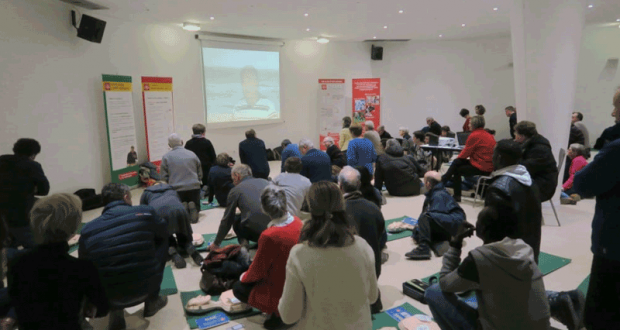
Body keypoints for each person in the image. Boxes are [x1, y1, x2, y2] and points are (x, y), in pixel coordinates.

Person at [424, 206, 550, 330]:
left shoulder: (479, 259)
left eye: (478, 220)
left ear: (482, 229)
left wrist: (455, 243)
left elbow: (445, 283)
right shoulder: (524, 248)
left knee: (433, 292)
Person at [278, 182, 378, 330]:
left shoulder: (299, 254)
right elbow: (372, 297)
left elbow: (289, 316)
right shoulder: (362, 246)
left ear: (310, 208)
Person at [8, 194, 109, 330]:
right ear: (73, 228)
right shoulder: (83, 269)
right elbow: (102, 308)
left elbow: (16, 301)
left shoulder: (16, 262)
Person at [79, 183, 169, 330]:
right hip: (146, 287)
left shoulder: (87, 230)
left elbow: (84, 268)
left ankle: (116, 312)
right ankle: (152, 300)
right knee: (163, 239)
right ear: (126, 197)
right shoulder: (146, 212)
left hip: (108, 299)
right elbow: (163, 231)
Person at [232, 186, 303, 330]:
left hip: (279, 289)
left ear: (264, 208)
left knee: (238, 287)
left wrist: (243, 278)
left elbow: (258, 270)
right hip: (298, 285)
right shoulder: (298, 222)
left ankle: (277, 314)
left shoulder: (269, 235)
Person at [573, 114, 620, 329]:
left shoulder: (616, 150)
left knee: (601, 314)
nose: (612, 114)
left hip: (614, 244)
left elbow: (583, 184)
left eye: (615, 107)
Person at [484, 139, 543, 263]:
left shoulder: (498, 188)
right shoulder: (531, 182)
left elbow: (492, 233)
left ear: (498, 157)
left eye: (493, 153)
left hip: (507, 264)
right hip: (530, 257)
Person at [339, 166, 386, 313]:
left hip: (348, 274)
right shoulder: (374, 208)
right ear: (359, 185)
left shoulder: (337, 213)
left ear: (340, 186)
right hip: (374, 269)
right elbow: (381, 238)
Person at [0, 138, 49, 259]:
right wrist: (30, 190)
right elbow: (44, 190)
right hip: (21, 217)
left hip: (2, 217)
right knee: (38, 251)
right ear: (33, 154)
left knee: (9, 242)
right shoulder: (33, 165)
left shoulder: (1, 160)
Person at [140, 182, 203, 268]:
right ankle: (191, 249)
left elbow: (143, 211)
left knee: (164, 236)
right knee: (182, 232)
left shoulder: (146, 192)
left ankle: (173, 252)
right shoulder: (171, 189)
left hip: (159, 212)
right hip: (179, 210)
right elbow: (178, 201)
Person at [405, 171, 466, 260]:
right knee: (422, 227)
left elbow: (431, 218)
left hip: (456, 224)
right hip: (453, 222)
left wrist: (418, 230)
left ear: (428, 183)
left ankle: (424, 248)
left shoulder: (438, 195)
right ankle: (440, 241)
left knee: (425, 219)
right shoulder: (437, 192)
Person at [210, 164, 271, 250]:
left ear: (237, 176)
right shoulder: (266, 182)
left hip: (258, 233)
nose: (233, 182)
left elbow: (227, 220)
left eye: (233, 179)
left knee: (236, 218)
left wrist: (216, 243)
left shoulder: (236, 190)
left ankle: (244, 243)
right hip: (275, 229)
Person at [442, 116, 495, 202]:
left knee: (456, 167)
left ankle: (446, 184)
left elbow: (465, 154)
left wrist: (457, 159)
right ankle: (445, 181)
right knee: (457, 163)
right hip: (488, 166)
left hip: (481, 167)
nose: (468, 125)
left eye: (470, 123)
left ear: (474, 124)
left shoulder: (474, 135)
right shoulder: (488, 135)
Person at [161, 133, 202, 223]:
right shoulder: (192, 154)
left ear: (169, 145)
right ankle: (194, 207)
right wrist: (198, 181)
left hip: (177, 190)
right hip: (194, 188)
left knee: (178, 208)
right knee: (196, 203)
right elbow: (200, 173)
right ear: (182, 142)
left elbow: (164, 178)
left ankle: (183, 209)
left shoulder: (166, 157)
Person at [514, 121, 558, 202]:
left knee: (508, 190)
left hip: (543, 186)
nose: (515, 135)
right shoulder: (534, 143)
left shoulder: (539, 149)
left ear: (523, 136)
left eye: (516, 133)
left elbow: (526, 168)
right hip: (539, 180)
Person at [185, 123, 216, 188]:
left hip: (193, 170)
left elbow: (185, 157)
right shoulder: (207, 142)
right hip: (206, 169)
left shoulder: (188, 143)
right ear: (202, 132)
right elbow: (213, 157)